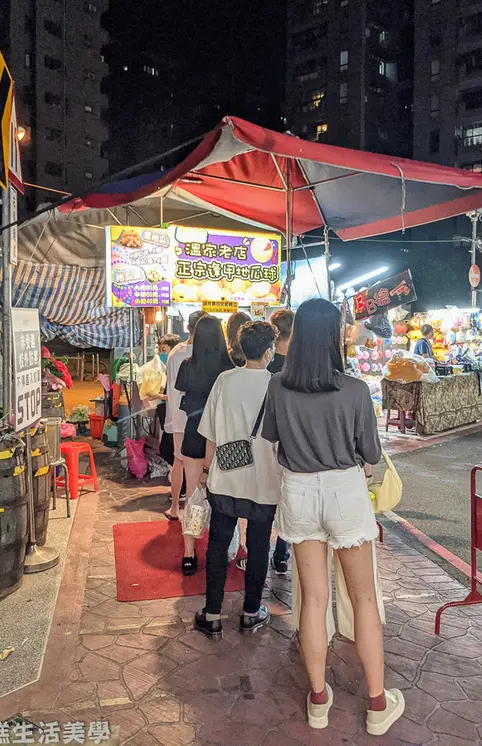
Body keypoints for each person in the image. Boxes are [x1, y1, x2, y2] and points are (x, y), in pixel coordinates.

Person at [262, 298, 404, 736]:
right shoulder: (356, 390)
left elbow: (272, 438)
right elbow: (372, 454)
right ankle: (378, 704)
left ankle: (319, 699)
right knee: (362, 598)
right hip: (344, 492)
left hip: (299, 492)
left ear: (299, 336)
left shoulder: (278, 386)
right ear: (334, 337)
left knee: (314, 599)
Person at [194, 321, 279, 638]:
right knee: (258, 548)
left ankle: (212, 614)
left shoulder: (224, 380)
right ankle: (251, 612)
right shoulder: (277, 385)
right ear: (268, 351)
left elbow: (210, 434)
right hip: (264, 482)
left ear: (242, 349)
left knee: (217, 546)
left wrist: (204, 471)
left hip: (226, 479)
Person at [175, 315, 233, 575]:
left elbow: (182, 393)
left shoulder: (188, 364)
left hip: (194, 432)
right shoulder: (230, 366)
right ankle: (220, 549)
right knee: (223, 497)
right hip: (223, 434)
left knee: (193, 495)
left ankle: (189, 554)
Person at [164, 311, 206, 522]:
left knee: (179, 463)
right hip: (201, 419)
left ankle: (174, 508)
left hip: (179, 417)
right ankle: (194, 509)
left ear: (187, 328)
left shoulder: (176, 353)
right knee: (199, 466)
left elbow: (172, 388)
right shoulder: (209, 353)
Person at [267, 309, 294, 575]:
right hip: (290, 441)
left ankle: (260, 548)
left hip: (265, 437)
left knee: (265, 498)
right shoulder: (299, 364)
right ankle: (282, 553)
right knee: (286, 499)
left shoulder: (265, 361)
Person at [155, 334, 181, 468]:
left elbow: (174, 394)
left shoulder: (179, 365)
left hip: (177, 417)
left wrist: (158, 396)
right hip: (169, 415)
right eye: (159, 350)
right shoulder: (167, 368)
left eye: (164, 350)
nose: (161, 354)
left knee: (168, 450)